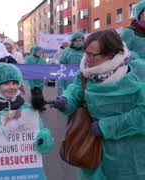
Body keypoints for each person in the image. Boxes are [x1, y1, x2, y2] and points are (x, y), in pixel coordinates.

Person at [50, 29, 145, 180]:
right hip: (92, 151)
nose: (86, 59)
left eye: (91, 55)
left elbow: (142, 116)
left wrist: (107, 126)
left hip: (128, 157)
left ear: (111, 53)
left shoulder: (138, 74)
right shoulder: (87, 74)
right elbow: (76, 91)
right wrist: (65, 100)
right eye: (85, 53)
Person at [0, 63, 54, 179]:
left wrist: (43, 140)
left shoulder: (27, 110)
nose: (11, 87)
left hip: (24, 173)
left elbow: (40, 132)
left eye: (14, 83)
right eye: (6, 83)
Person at [25, 45, 47, 110]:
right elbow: (27, 69)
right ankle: (35, 106)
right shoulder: (29, 59)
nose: (39, 52)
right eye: (38, 51)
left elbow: (45, 68)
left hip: (40, 79)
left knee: (40, 93)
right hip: (32, 78)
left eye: (40, 51)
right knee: (34, 94)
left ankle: (41, 106)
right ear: (34, 51)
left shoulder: (42, 59)